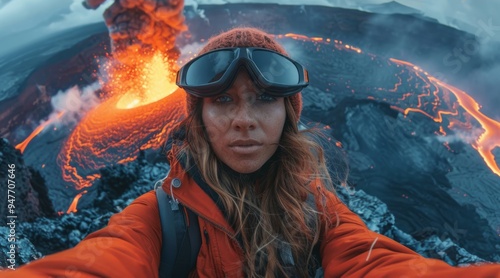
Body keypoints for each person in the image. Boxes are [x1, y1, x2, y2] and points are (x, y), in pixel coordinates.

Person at [2, 27, 499, 278]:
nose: (244, 119)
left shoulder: (320, 212)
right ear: (198, 119)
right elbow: (102, 261)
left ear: (290, 114)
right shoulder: (158, 221)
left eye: (264, 99)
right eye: (221, 101)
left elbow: (379, 265)